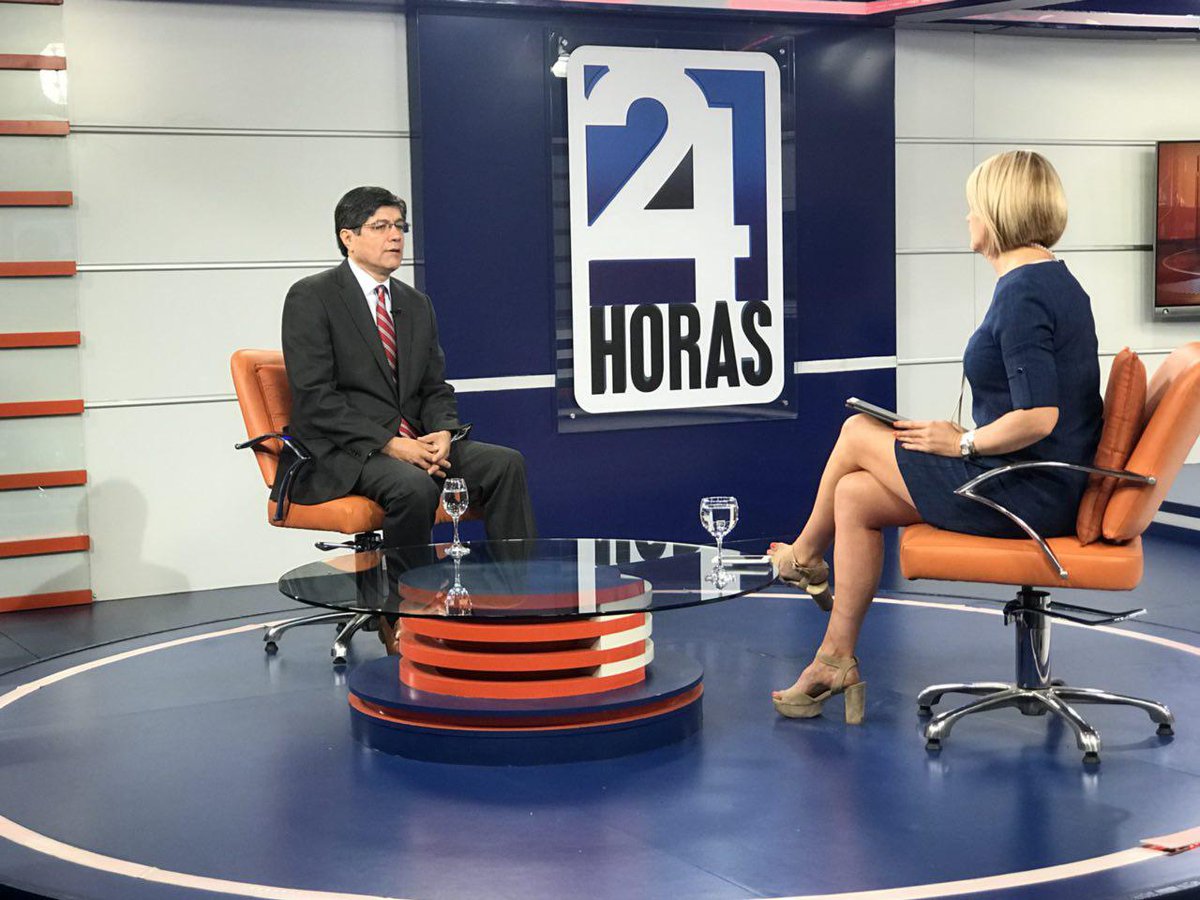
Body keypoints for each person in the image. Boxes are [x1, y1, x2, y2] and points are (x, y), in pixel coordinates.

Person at [767, 151, 1102, 724]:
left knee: (856, 431)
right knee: (854, 495)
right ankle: (834, 660)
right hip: (1029, 480)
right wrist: (964, 438)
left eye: (973, 206)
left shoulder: (1024, 293)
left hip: (1024, 493)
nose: (967, 217)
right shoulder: (1050, 279)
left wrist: (963, 444)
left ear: (998, 213)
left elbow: (1040, 417)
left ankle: (804, 557)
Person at [281, 186, 537, 555]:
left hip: (413, 442)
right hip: (346, 451)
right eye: (381, 226)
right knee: (413, 486)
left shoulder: (416, 303)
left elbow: (434, 386)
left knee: (505, 464)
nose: (395, 236)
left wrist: (442, 431)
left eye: (400, 226)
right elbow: (316, 397)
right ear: (348, 237)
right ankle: (406, 590)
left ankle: (517, 583)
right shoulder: (312, 296)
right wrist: (389, 443)